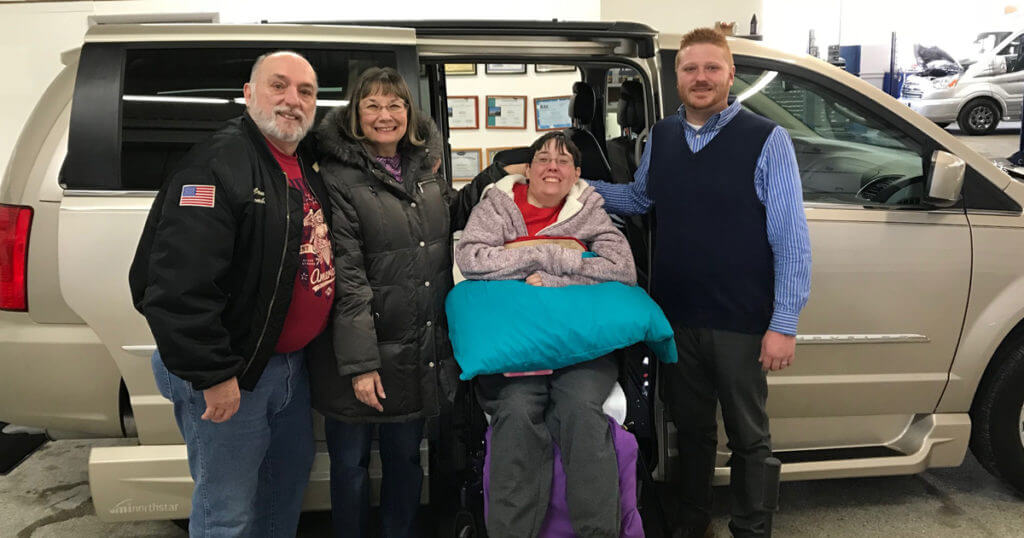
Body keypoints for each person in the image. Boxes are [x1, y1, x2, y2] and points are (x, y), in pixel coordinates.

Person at [588, 28, 812, 537]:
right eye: (691, 69)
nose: (701, 78)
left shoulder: (766, 139)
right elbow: (641, 199)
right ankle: (692, 523)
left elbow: (791, 239)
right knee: (690, 432)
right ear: (678, 76)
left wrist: (784, 323)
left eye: (712, 68)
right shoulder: (663, 137)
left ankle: (752, 528)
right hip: (676, 320)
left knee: (749, 438)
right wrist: (572, 188)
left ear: (731, 75)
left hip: (741, 322)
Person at [129, 51, 330, 536]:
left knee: (282, 493)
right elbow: (175, 288)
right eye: (278, 85)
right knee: (228, 512)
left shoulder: (297, 161)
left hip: (286, 368)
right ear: (247, 93)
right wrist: (215, 374)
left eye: (306, 92)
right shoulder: (217, 166)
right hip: (233, 373)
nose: (292, 100)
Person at [310, 66, 494, 538]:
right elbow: (346, 276)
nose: (385, 115)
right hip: (361, 352)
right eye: (372, 105)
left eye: (395, 105)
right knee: (350, 466)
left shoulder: (425, 171)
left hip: (415, 349)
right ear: (355, 114)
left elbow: (446, 220)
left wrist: (497, 178)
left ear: (409, 114)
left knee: (407, 462)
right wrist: (360, 365)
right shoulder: (337, 177)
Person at [454, 131, 637, 538]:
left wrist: (554, 270)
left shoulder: (591, 212)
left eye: (563, 160)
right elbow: (472, 259)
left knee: (580, 412)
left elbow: (622, 269)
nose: (552, 166)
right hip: (515, 349)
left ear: (575, 175)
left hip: (580, 350)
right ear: (529, 169)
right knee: (516, 413)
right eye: (542, 158)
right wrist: (547, 254)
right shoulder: (497, 206)